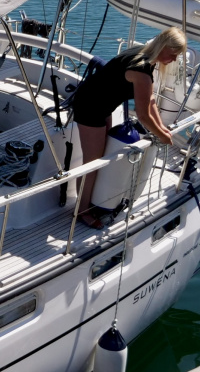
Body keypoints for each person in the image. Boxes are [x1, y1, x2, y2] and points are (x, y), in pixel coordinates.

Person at [69, 27, 186, 229]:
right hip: (90, 107)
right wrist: (161, 136)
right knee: (93, 163)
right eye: (173, 54)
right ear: (164, 47)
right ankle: (82, 211)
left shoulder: (144, 54)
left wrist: (162, 130)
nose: (174, 60)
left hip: (100, 103)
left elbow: (150, 102)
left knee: (99, 156)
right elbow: (142, 114)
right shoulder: (141, 71)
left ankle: (87, 204)